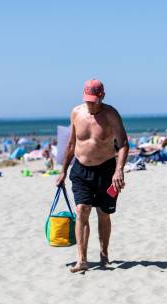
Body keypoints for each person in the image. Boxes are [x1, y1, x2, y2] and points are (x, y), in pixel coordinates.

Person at [56, 79, 129, 273]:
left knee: (103, 214)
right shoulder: (76, 113)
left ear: (102, 97)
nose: (90, 104)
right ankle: (82, 260)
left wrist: (119, 169)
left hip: (106, 171)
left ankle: (104, 255)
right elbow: (71, 144)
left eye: (94, 100)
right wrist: (63, 170)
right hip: (80, 170)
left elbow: (123, 144)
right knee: (82, 210)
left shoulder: (111, 115)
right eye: (87, 100)